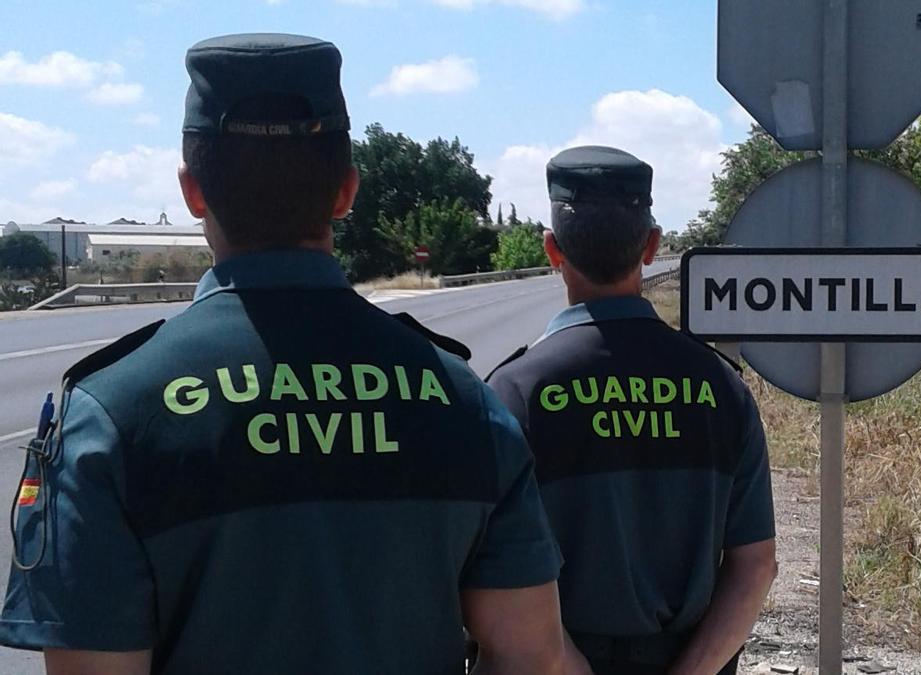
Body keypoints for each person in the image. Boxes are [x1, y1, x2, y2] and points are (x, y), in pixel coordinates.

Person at [0, 33, 565, 675]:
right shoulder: (466, 404)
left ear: (193, 194)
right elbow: (532, 657)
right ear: (346, 192)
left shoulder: (110, 416)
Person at [486, 146, 778, 675]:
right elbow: (755, 566)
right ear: (652, 246)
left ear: (553, 250)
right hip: (692, 657)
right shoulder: (721, 388)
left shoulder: (513, 393)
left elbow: (500, 588)